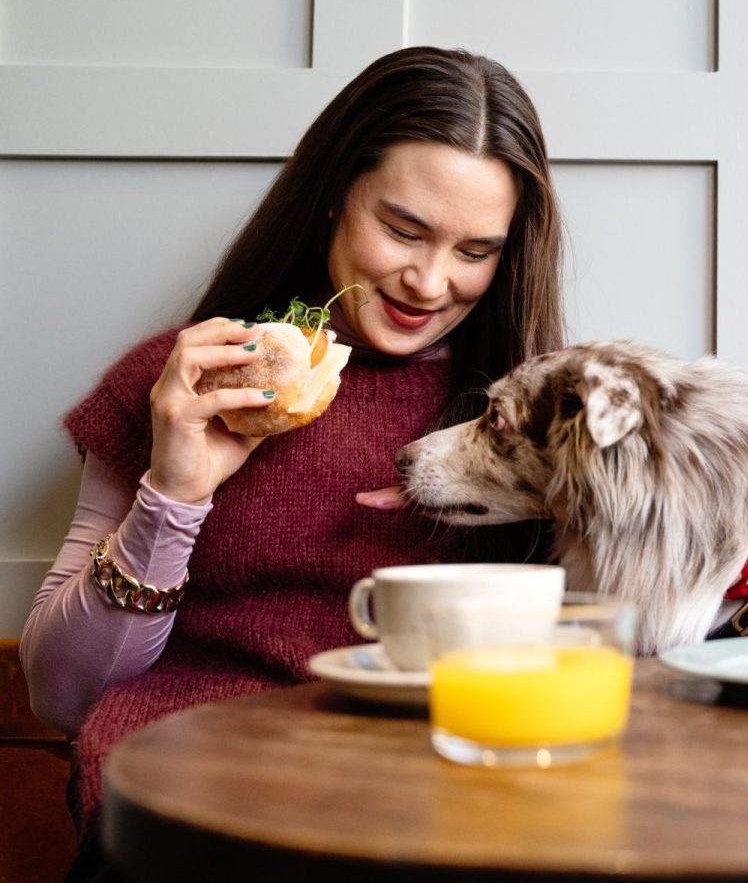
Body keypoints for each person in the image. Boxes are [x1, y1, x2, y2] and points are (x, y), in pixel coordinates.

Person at [20, 46, 565, 866]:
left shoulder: (538, 418)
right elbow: (62, 695)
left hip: (437, 795)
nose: (428, 280)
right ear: (333, 197)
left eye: (475, 251)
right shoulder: (187, 383)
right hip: (196, 794)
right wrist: (173, 497)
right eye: (403, 229)